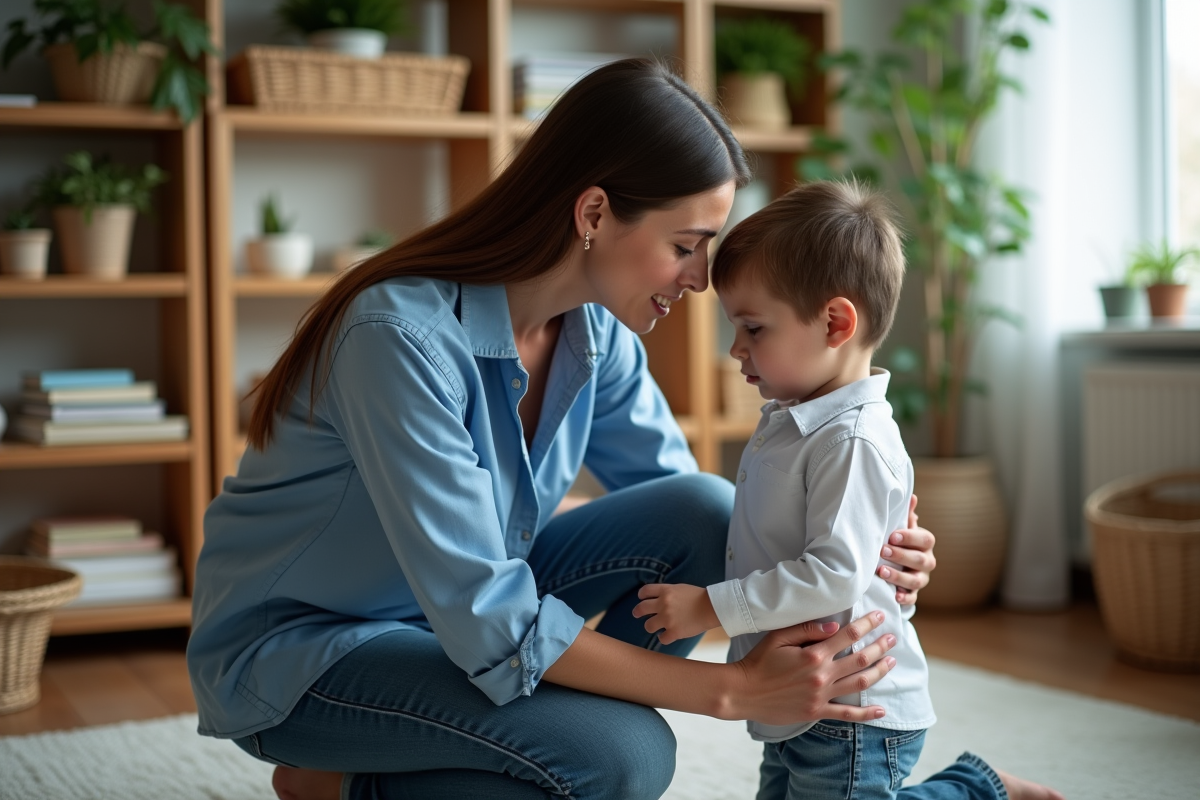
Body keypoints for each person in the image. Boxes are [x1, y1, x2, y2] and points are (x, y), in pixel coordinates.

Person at [184, 59, 1034, 800]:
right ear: (593, 213)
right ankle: (345, 780)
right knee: (622, 762)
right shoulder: (397, 337)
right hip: (312, 653)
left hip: (459, 626)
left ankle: (489, 742)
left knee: (704, 509)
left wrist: (866, 554)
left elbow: (716, 532)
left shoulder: (596, 338)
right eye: (688, 245)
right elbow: (488, 616)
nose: (703, 281)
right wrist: (733, 692)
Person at [633, 181, 1063, 800]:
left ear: (835, 322)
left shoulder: (851, 442)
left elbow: (833, 574)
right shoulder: (797, 418)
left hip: (851, 707)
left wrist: (710, 608)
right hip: (800, 698)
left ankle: (977, 789)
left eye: (754, 328)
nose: (736, 349)